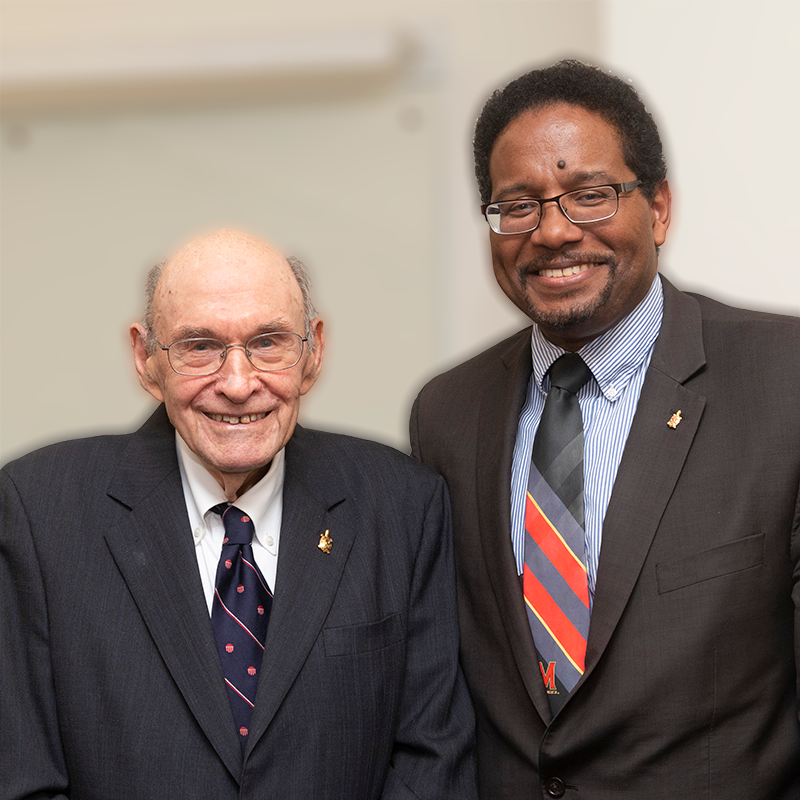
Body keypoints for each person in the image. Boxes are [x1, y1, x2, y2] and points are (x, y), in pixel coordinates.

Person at [410, 59, 800, 799]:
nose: (552, 232)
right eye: (516, 206)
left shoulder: (784, 382)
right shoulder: (447, 415)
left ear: (658, 209)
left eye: (590, 195)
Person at [0, 229, 477, 799]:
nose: (238, 383)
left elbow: (431, 760)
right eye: (199, 346)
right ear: (146, 359)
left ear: (313, 352)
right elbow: (21, 775)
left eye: (269, 342)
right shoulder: (39, 511)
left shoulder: (402, 506)